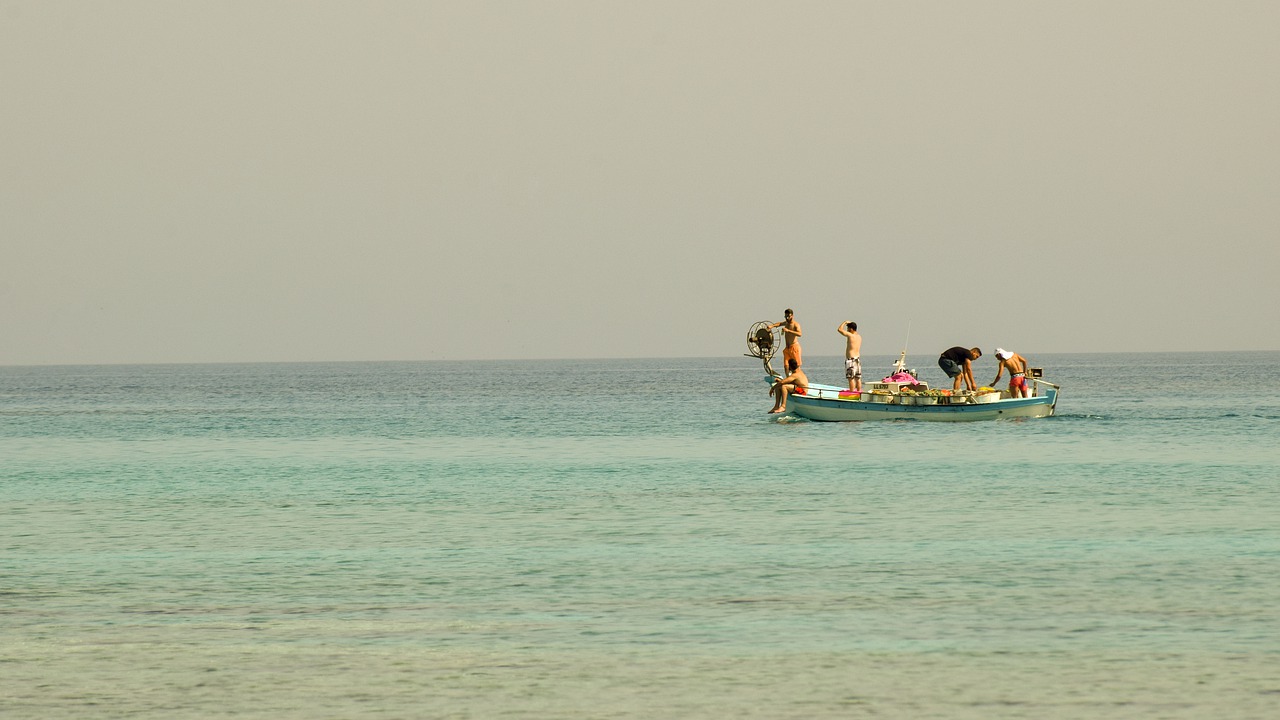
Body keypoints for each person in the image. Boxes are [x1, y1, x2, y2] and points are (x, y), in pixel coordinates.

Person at [836, 320, 862, 392]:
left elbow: (839, 329)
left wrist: (844, 322)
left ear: (851, 329)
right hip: (857, 359)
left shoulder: (851, 335)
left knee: (851, 378)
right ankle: (859, 392)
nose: (847, 330)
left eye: (848, 328)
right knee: (858, 378)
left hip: (851, 360)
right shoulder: (859, 337)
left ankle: (852, 392)